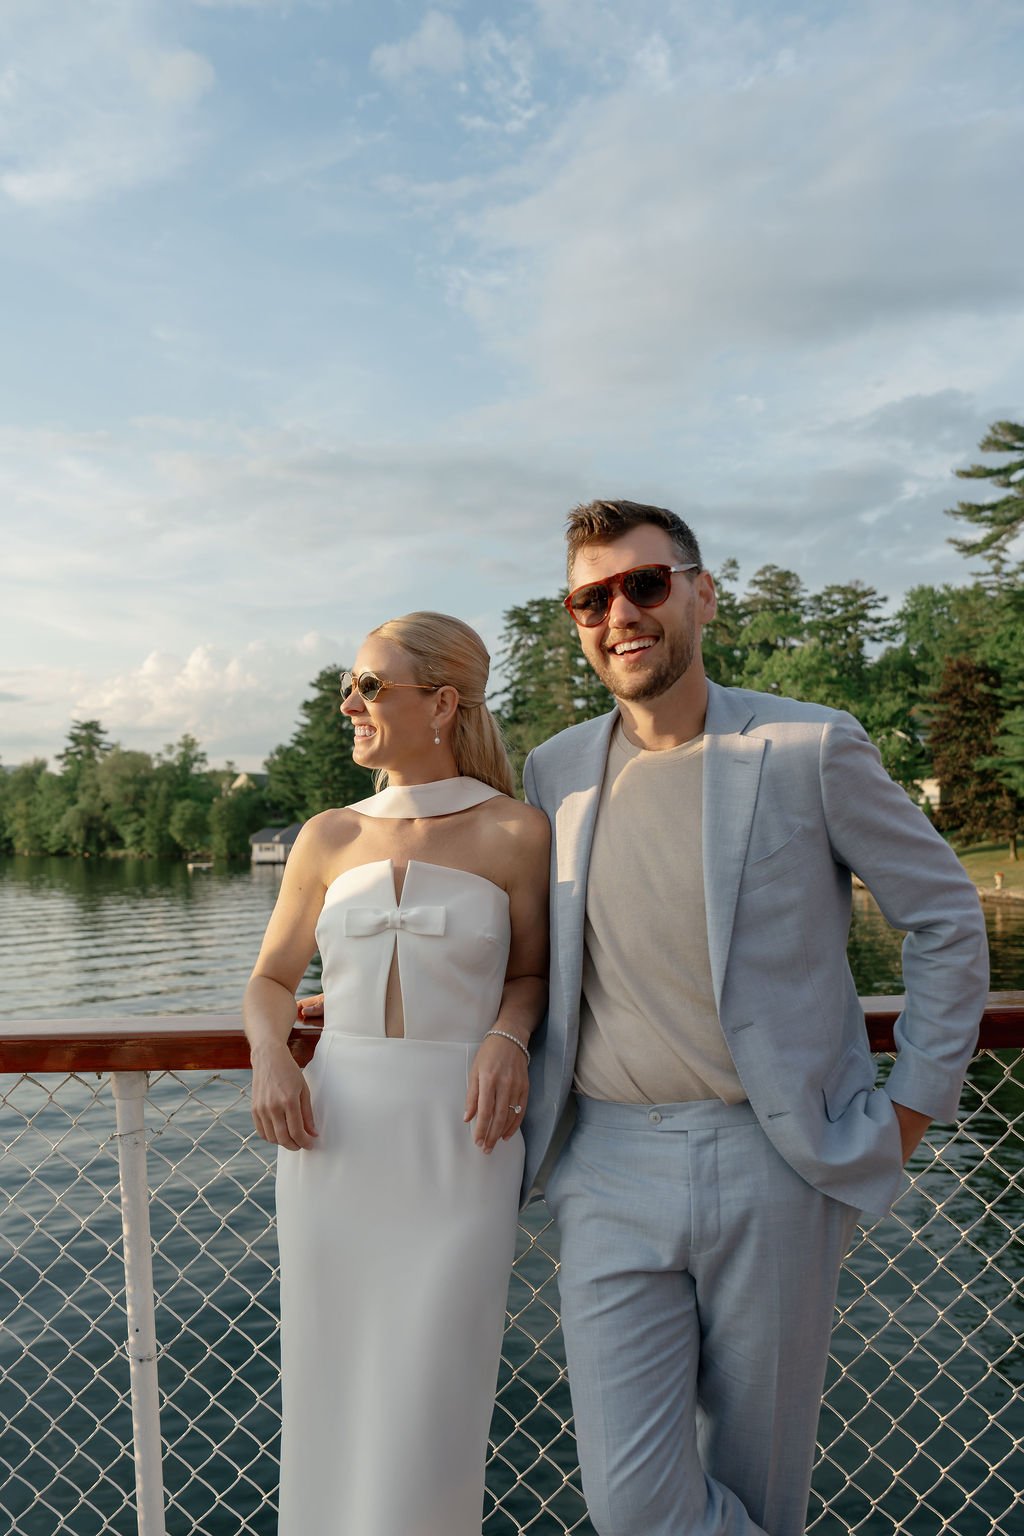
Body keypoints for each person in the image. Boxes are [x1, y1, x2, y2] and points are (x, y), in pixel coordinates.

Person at [520, 500, 989, 1536]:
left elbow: (946, 918)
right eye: (590, 598)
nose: (619, 614)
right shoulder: (553, 772)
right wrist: (372, 986)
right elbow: (524, 955)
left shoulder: (808, 747)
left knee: (761, 1479)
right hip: (603, 1161)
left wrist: (908, 1109)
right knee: (632, 1504)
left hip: (772, 1159)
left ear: (701, 593)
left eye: (644, 584)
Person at [244, 612, 549, 1536]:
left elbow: (532, 973)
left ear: (443, 703)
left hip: (462, 1133)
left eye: (371, 687)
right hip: (334, 1129)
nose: (350, 704)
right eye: (353, 686)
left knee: (436, 1390)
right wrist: (271, 1058)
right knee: (329, 1374)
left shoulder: (516, 832)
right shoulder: (326, 837)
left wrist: (508, 1036)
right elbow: (268, 981)